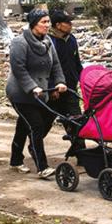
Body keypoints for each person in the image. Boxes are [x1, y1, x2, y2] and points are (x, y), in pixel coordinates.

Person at [6, 9, 67, 179]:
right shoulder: (20, 42)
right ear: (34, 24)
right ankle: (42, 166)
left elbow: (56, 65)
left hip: (41, 92)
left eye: (48, 22)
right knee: (36, 125)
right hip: (21, 93)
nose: (48, 25)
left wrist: (60, 82)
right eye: (44, 22)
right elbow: (19, 69)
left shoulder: (47, 42)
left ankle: (15, 160)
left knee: (23, 126)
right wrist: (32, 87)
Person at [48, 9, 86, 154]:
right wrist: (52, 88)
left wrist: (83, 79)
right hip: (54, 90)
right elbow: (47, 67)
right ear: (58, 25)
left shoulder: (72, 39)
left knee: (76, 121)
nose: (71, 25)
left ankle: (82, 154)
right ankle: (34, 148)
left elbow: (77, 63)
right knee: (45, 123)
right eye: (68, 22)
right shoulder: (50, 41)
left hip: (70, 88)